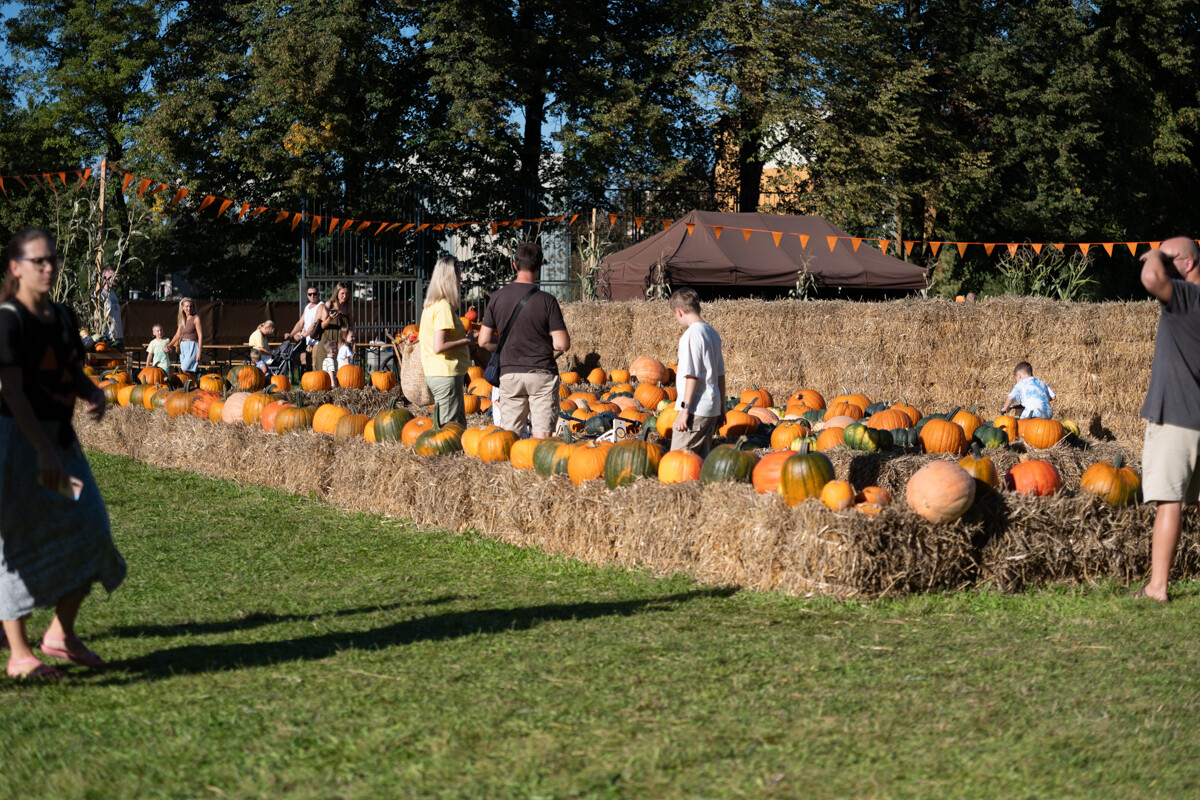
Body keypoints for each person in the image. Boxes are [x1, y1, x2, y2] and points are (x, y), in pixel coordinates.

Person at [0, 228, 127, 680]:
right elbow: (11, 392)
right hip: (16, 447)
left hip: (58, 445)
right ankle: (18, 653)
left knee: (89, 523)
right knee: (16, 539)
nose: (48, 266)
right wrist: (40, 452)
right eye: (38, 261)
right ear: (16, 268)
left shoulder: (63, 316)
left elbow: (72, 370)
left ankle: (59, 634)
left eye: (52, 259)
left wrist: (92, 392)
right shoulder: (9, 320)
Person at [1133, 236, 1200, 602]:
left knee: (1168, 502)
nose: (1161, 262)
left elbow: (1150, 279)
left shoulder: (1187, 298)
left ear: (1188, 264)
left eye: (1170, 257)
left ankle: (1158, 587)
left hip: (1176, 414)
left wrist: (1154, 254)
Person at [478, 243, 569, 438]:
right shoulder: (547, 301)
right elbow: (562, 344)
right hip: (541, 373)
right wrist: (542, 343)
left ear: (514, 265)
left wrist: (506, 345)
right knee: (542, 438)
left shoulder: (497, 297)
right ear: (538, 267)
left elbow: (483, 341)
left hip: (510, 374)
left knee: (510, 436)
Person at [669, 287, 726, 458]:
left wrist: (685, 410)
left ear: (679, 312)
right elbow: (720, 375)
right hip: (711, 408)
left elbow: (691, 375)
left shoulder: (691, 335)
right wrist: (722, 408)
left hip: (695, 409)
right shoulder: (712, 333)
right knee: (699, 462)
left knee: (677, 460)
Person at [418, 257, 474, 427]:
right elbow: (439, 346)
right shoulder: (443, 307)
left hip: (439, 373)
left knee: (458, 426)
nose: (461, 278)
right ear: (449, 278)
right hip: (445, 374)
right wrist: (467, 340)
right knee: (448, 429)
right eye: (458, 274)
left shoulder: (431, 306)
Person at [310, 282, 353, 384]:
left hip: (340, 340)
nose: (345, 296)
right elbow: (322, 325)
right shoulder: (330, 304)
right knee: (324, 368)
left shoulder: (348, 307)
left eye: (347, 294)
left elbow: (351, 325)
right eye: (342, 293)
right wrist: (330, 318)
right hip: (327, 340)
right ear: (337, 293)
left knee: (338, 368)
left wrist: (352, 341)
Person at [285, 286, 323, 367]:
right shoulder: (307, 307)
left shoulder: (321, 306)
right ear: (307, 296)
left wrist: (303, 336)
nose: (312, 296)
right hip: (309, 341)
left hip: (318, 341)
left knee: (315, 365)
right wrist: (291, 334)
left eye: (314, 294)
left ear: (318, 294)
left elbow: (315, 324)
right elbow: (300, 323)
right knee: (307, 364)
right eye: (310, 294)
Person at [167, 297, 203, 375]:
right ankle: (195, 385)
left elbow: (200, 336)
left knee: (184, 369)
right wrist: (169, 345)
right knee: (189, 372)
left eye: (190, 306)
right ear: (182, 307)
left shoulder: (196, 318)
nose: (189, 308)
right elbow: (177, 334)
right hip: (183, 346)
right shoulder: (181, 319)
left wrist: (199, 351)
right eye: (186, 306)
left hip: (192, 346)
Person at [98, 267, 123, 349]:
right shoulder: (100, 295)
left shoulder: (113, 293)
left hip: (118, 336)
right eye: (114, 276)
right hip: (108, 338)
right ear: (105, 278)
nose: (117, 278)